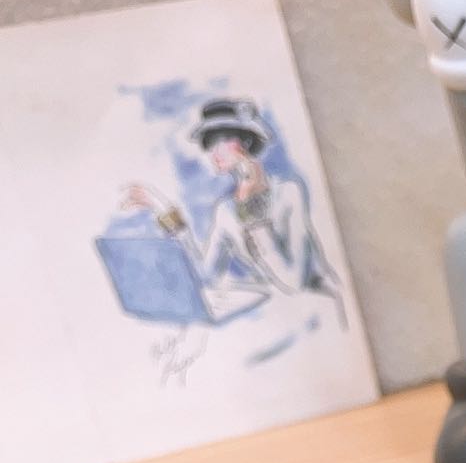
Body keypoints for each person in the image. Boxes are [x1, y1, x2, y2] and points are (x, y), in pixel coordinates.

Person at [124, 98, 341, 307]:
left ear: (246, 142)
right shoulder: (225, 210)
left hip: (321, 303)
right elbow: (205, 276)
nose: (215, 151)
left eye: (224, 140)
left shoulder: (288, 192)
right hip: (277, 310)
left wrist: (249, 207)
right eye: (210, 143)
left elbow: (293, 282)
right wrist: (165, 211)